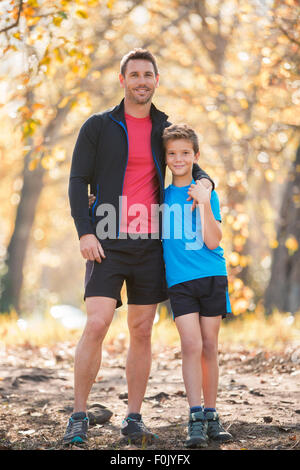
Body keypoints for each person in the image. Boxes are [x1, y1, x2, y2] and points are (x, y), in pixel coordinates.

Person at [64, 49, 214, 445]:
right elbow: (78, 180)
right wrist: (85, 231)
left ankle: (133, 417)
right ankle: (78, 415)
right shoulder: (98, 126)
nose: (142, 81)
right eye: (135, 75)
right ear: (123, 80)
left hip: (150, 244)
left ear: (156, 80)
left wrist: (207, 182)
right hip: (106, 239)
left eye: (148, 74)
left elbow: (186, 160)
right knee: (97, 322)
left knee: (141, 329)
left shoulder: (163, 126)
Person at [161, 123, 233, 448]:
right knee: (190, 345)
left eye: (185, 153)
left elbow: (214, 239)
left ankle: (211, 413)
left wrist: (204, 201)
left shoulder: (207, 192)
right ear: (164, 158)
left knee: (208, 345)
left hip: (211, 275)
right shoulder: (160, 198)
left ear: (196, 156)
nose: (179, 159)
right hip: (180, 282)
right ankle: (194, 416)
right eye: (172, 154)